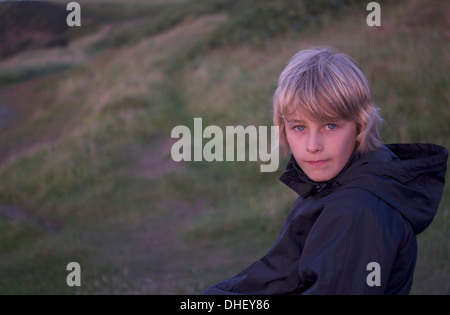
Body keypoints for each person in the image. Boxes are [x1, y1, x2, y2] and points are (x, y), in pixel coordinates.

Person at [201, 46, 448, 295]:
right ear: (282, 128)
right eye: (299, 127)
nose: (313, 146)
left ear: (360, 126)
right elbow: (280, 277)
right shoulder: (329, 186)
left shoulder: (359, 209)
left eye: (330, 126)